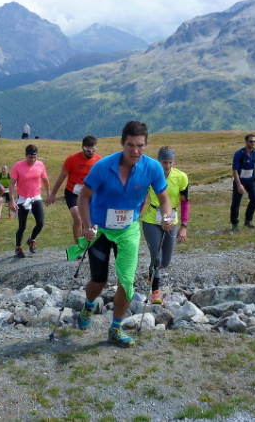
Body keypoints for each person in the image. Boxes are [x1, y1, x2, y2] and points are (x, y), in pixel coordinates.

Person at [77, 121, 174, 348]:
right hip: (100, 230)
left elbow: (164, 200)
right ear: (122, 143)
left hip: (129, 230)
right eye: (130, 145)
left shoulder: (152, 168)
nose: (135, 151)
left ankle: (116, 328)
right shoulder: (103, 166)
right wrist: (87, 226)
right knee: (99, 281)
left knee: (127, 282)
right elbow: (83, 197)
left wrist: (167, 217)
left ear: (146, 144)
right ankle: (89, 304)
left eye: (140, 145)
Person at [141, 146, 189, 305]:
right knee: (157, 256)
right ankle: (155, 292)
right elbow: (142, 197)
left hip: (171, 220)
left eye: (170, 162)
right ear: (159, 161)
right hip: (151, 219)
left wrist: (184, 225)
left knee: (165, 261)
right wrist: (134, 216)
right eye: (164, 162)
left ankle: (152, 273)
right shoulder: (151, 175)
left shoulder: (181, 177)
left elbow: (185, 202)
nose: (167, 166)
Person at [46, 135, 102, 243]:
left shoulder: (99, 160)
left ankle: (85, 242)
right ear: (82, 147)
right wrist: (53, 194)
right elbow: (61, 177)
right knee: (78, 218)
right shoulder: (72, 159)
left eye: (93, 150)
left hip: (89, 194)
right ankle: (78, 245)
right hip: (73, 193)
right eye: (88, 150)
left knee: (89, 220)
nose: (91, 152)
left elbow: (102, 179)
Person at [9, 144, 50, 258]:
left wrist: (49, 194)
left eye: (34, 157)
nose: (32, 160)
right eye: (30, 157)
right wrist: (12, 201)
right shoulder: (18, 166)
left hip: (36, 197)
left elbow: (45, 180)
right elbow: (11, 184)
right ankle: (18, 247)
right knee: (22, 226)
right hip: (23, 198)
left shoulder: (40, 165)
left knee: (40, 223)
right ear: (26, 156)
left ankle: (31, 240)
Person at [230, 133, 255, 229]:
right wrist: (239, 185)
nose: (253, 143)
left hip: (251, 180)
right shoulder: (239, 154)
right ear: (246, 142)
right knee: (236, 202)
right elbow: (235, 170)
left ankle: (248, 221)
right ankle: (234, 223)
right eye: (251, 141)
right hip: (240, 180)